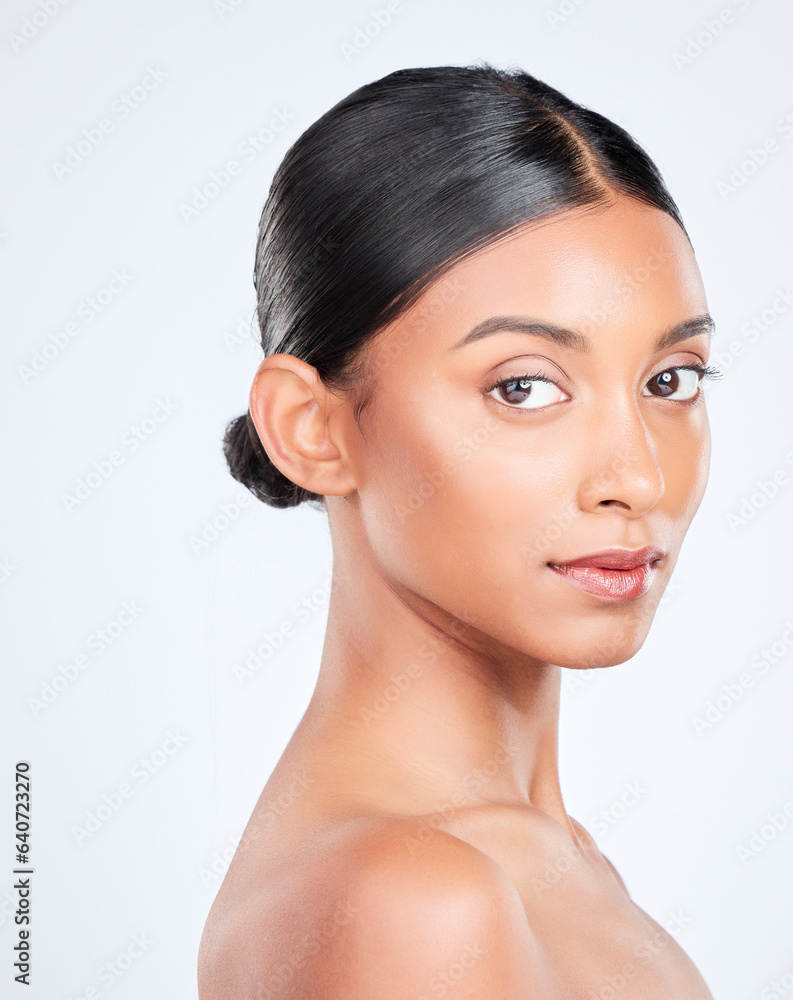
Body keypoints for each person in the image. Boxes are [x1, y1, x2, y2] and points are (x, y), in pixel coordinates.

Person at [199, 62, 717, 999]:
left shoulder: (537, 854)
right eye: (524, 387)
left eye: (671, 379)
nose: (639, 476)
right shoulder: (413, 902)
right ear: (312, 429)